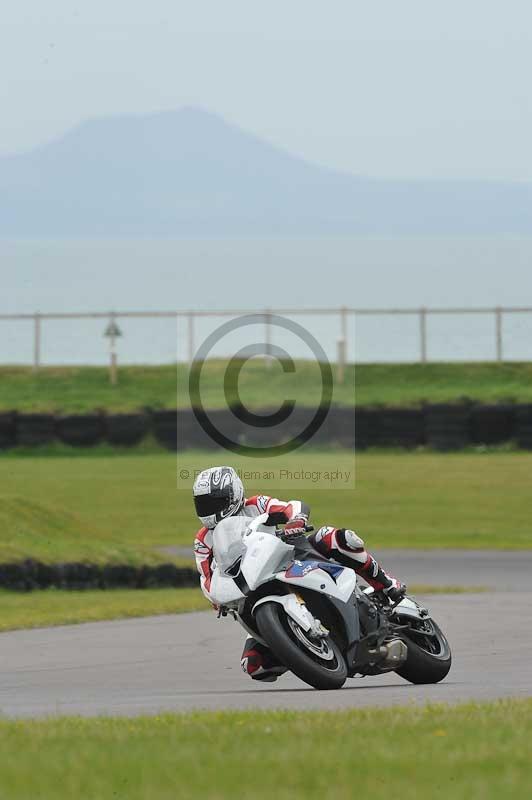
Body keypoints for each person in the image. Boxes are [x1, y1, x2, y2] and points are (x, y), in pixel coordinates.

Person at [193, 465, 406, 682]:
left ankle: (385, 583)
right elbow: (206, 578)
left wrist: (296, 520)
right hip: (252, 585)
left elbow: (292, 506)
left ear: (233, 494)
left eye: (213, 502)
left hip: (290, 555)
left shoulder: (256, 504)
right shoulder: (203, 540)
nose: (207, 509)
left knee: (335, 537)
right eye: (201, 504)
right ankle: (301, 648)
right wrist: (217, 596)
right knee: (254, 664)